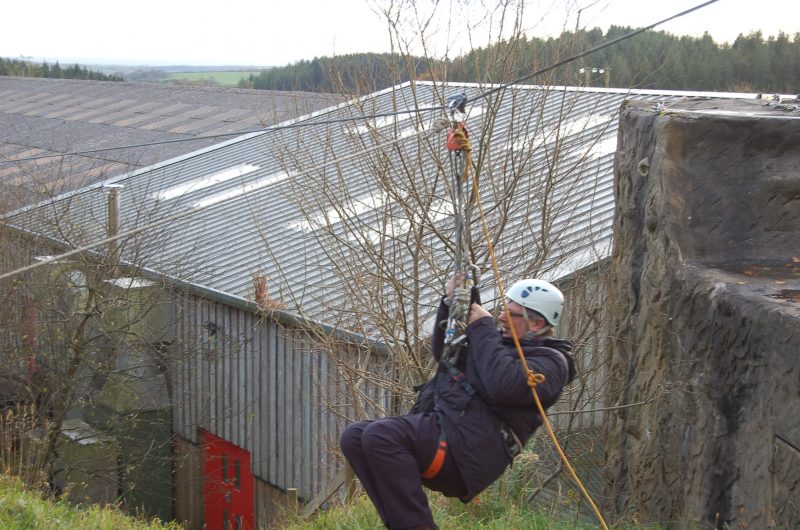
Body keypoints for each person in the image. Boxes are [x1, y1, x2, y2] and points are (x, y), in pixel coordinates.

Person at [340, 276, 577, 530]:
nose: (501, 318)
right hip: (451, 431)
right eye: (503, 311)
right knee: (354, 437)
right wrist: (453, 303)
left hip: (471, 451)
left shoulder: (551, 364)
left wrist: (483, 327)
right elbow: (446, 354)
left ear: (537, 323)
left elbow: (503, 385)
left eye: (512, 314)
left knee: (382, 435)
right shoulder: (497, 344)